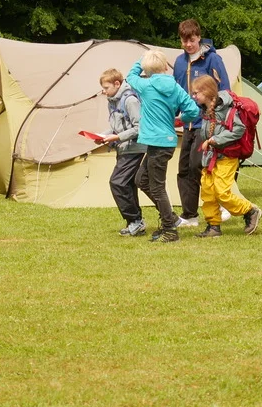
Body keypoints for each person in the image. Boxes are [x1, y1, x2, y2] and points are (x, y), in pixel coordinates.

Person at [126, 50, 202, 243]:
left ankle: (170, 229)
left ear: (147, 68)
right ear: (164, 66)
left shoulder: (145, 85)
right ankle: (171, 218)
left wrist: (140, 59)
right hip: (165, 143)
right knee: (141, 180)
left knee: (157, 187)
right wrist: (180, 120)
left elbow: (129, 76)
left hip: (156, 144)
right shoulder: (175, 87)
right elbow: (193, 110)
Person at [172, 18, 231, 229]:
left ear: (198, 37)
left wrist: (216, 118)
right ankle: (189, 215)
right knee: (184, 170)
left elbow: (224, 91)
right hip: (187, 124)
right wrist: (174, 115)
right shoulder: (179, 62)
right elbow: (176, 93)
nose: (188, 44)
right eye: (184, 40)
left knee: (201, 166)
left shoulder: (212, 60)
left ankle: (222, 205)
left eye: (192, 40)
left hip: (206, 123)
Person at [189, 75, 262, 237]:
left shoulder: (226, 108)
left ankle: (250, 210)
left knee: (222, 191)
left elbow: (239, 129)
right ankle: (213, 225)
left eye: (196, 93)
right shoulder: (206, 109)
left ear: (207, 92)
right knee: (208, 190)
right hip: (210, 157)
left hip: (227, 155)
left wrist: (215, 139)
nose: (193, 96)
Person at [97, 68, 146, 237]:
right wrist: (103, 136)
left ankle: (135, 221)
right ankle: (135, 222)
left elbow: (139, 128)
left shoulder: (130, 100)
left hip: (134, 148)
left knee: (117, 182)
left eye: (106, 87)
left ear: (117, 84)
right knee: (128, 185)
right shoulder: (112, 100)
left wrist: (117, 137)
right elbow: (116, 125)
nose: (103, 91)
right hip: (123, 148)